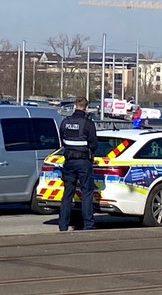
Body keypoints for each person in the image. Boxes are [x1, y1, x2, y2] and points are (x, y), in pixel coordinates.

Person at [58, 96, 98, 231]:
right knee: (86, 193)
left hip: (69, 161)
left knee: (67, 194)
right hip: (83, 161)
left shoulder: (65, 122)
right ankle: (88, 224)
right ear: (86, 108)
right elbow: (94, 144)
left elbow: (62, 139)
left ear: (75, 105)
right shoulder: (88, 123)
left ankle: (63, 225)